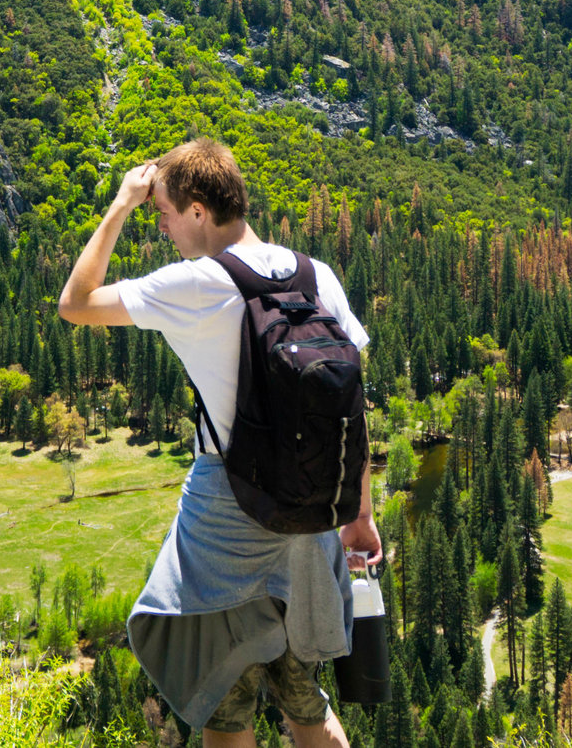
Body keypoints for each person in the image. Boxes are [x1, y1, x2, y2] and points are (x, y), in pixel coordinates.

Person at [58, 137, 380, 747]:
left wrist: (122, 205)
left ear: (199, 211)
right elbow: (350, 411)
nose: (165, 230)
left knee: (224, 706)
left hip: (227, 518)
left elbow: (75, 303)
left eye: (166, 215)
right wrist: (358, 515)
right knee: (305, 704)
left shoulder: (195, 284)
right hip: (310, 520)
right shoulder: (317, 276)